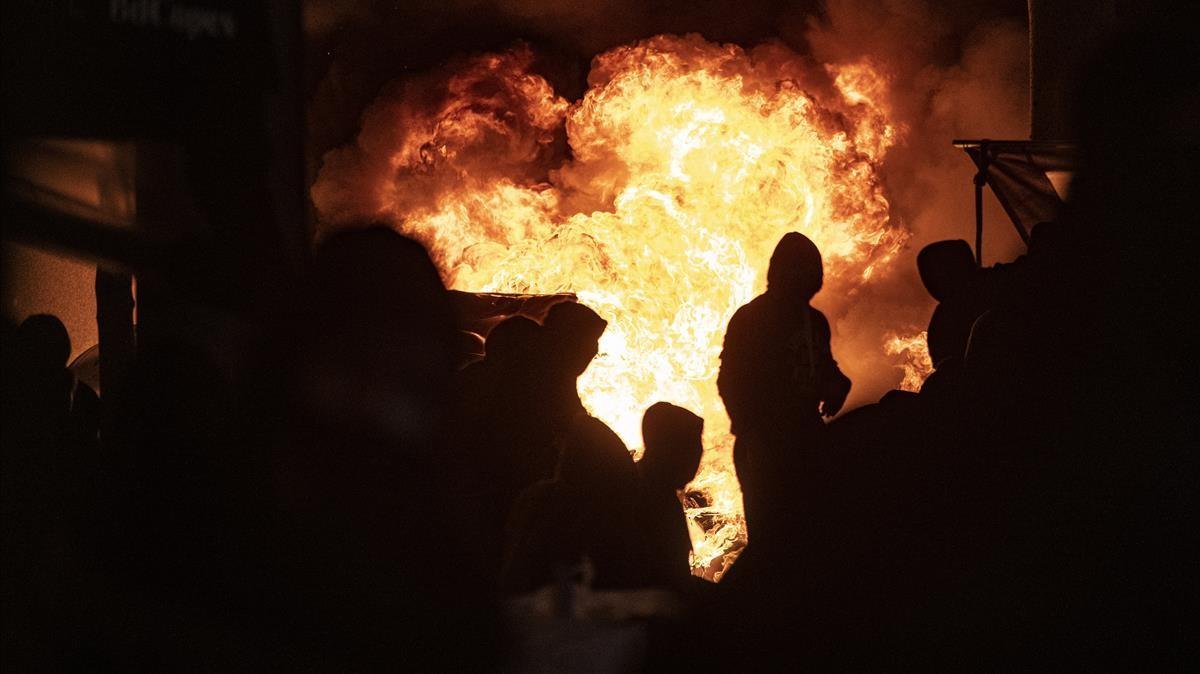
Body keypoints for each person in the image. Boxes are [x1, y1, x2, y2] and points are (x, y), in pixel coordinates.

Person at [717, 232, 850, 555]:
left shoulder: (814, 321)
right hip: (766, 448)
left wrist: (838, 384)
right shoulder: (751, 319)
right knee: (773, 543)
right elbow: (730, 381)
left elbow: (822, 367)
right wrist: (753, 432)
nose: (815, 281)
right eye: (807, 271)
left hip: (805, 440)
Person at [638, 402, 703, 590]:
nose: (699, 455)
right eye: (692, 445)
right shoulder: (651, 502)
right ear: (669, 448)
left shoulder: (655, 491)